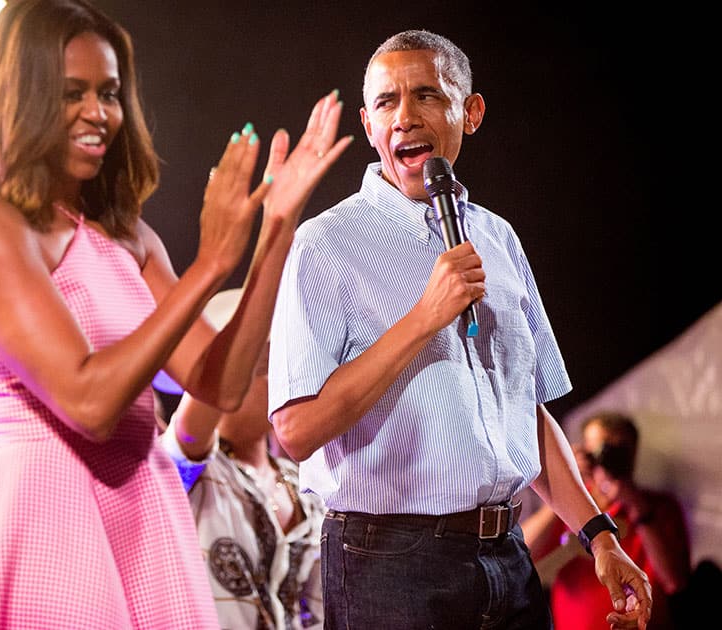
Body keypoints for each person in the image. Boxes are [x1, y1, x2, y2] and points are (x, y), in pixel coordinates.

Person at [0, 0, 353, 627]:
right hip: (45, 515)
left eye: (110, 93)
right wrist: (208, 266)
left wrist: (274, 234)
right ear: (20, 96)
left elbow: (221, 384)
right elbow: (89, 404)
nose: (100, 114)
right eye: (73, 93)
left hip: (140, 509)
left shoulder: (129, 237)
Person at [266, 29, 653, 630]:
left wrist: (599, 535)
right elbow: (294, 431)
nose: (405, 118)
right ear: (368, 125)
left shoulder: (497, 238)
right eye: (387, 103)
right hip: (387, 562)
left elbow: (525, 408)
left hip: (507, 554)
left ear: (470, 113)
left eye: (426, 95)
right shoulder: (325, 244)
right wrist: (424, 318)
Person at [161, 288, 325, 629]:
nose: (274, 382)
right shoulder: (192, 471)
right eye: (259, 369)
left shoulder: (304, 486)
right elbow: (192, 429)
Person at [521, 411, 691, 629]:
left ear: (633, 454)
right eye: (600, 452)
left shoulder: (657, 507)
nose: (609, 460)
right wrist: (563, 487)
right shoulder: (570, 510)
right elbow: (522, 549)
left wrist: (638, 508)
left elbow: (674, 582)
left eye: (618, 452)